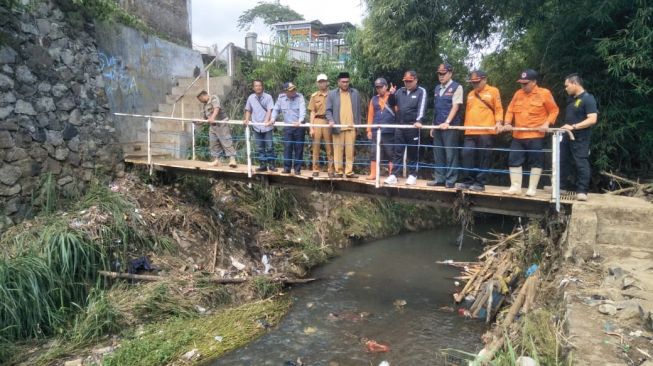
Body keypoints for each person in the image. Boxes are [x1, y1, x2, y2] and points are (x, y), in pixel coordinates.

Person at [502, 69, 559, 196]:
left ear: (534, 82)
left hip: (535, 135)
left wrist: (546, 124)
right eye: (521, 83)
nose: (523, 86)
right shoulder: (518, 94)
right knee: (513, 159)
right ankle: (515, 187)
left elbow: (554, 110)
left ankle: (532, 188)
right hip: (518, 134)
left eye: (526, 83)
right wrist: (507, 123)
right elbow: (510, 109)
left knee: (536, 161)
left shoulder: (544, 93)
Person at [455, 70, 504, 192]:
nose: (474, 85)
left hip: (486, 130)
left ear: (484, 80)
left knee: (484, 157)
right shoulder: (470, 94)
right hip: (470, 130)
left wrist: (499, 122)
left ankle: (480, 183)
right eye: (472, 83)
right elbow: (467, 112)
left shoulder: (493, 91)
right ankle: (468, 180)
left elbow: (498, 109)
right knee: (466, 154)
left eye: (477, 82)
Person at [385, 70, 427, 185]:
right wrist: (392, 94)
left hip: (413, 126)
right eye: (406, 81)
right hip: (400, 126)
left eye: (410, 81)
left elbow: (422, 107)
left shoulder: (421, 91)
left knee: (413, 153)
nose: (407, 83)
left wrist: (419, 120)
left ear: (415, 80)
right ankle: (394, 175)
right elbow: (391, 104)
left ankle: (413, 175)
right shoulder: (400, 91)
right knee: (397, 152)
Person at [560, 73, 598, 201]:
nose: (565, 88)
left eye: (567, 86)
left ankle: (582, 191)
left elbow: (592, 119)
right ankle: (561, 186)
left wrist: (574, 127)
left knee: (581, 162)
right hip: (567, 136)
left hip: (580, 137)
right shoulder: (571, 99)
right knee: (562, 160)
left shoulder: (588, 98)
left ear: (575, 84)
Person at [427, 63, 463, 188]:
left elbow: (456, 106)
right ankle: (439, 178)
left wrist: (447, 122)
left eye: (443, 73)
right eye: (439, 74)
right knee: (438, 153)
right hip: (437, 126)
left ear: (450, 73)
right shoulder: (437, 88)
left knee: (450, 154)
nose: (441, 76)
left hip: (450, 126)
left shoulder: (457, 87)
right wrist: (433, 125)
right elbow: (436, 109)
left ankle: (450, 180)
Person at [326, 71, 362, 178]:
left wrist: (358, 126)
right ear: (338, 82)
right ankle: (339, 171)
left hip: (351, 127)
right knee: (338, 151)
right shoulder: (332, 94)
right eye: (343, 82)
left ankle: (349, 172)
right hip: (338, 127)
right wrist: (331, 120)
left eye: (347, 82)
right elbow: (328, 110)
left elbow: (358, 110)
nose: (345, 84)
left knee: (350, 151)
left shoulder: (355, 93)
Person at [270, 82, 306, 175]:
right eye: (291, 90)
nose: (294, 91)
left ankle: (297, 169)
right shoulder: (281, 98)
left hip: (299, 127)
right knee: (287, 147)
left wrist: (300, 121)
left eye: (294, 89)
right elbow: (275, 109)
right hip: (288, 127)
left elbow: (303, 110)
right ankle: (287, 168)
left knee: (299, 148)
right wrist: (273, 119)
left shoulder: (300, 97)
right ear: (285, 91)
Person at [365, 77, 396, 180]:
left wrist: (392, 96)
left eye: (381, 87)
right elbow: (370, 115)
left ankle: (392, 175)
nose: (379, 89)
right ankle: (373, 174)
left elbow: (397, 110)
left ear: (386, 87)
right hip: (376, 130)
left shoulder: (392, 97)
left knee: (390, 152)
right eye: (377, 87)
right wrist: (368, 130)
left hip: (389, 131)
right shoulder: (374, 99)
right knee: (374, 152)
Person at [196, 90, 237, 167]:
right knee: (213, 143)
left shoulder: (214, 98)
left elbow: (216, 108)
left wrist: (212, 118)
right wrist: (200, 121)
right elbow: (205, 117)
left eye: (200, 99)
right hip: (213, 126)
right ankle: (217, 160)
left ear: (203, 96)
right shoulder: (205, 105)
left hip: (221, 123)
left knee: (226, 141)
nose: (200, 101)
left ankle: (232, 160)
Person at [244, 80, 275, 172]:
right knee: (260, 147)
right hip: (256, 127)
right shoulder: (251, 98)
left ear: (262, 87)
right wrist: (246, 119)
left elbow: (270, 110)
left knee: (269, 147)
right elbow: (248, 110)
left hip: (267, 126)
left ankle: (272, 165)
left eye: (260, 85)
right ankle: (263, 165)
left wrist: (266, 120)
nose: (258, 87)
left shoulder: (268, 97)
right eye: (256, 86)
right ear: (253, 88)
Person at [308, 73, 334, 177]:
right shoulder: (314, 96)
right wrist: (311, 127)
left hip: (328, 121)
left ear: (327, 82)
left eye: (323, 81)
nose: (322, 83)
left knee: (329, 147)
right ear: (317, 83)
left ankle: (331, 170)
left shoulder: (332, 95)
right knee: (316, 147)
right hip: (317, 121)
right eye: (320, 82)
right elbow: (312, 112)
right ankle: (315, 169)